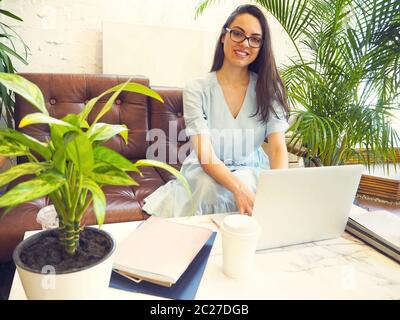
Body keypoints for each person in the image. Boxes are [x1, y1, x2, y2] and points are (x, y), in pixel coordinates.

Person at [143, 4, 290, 218]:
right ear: (224, 36)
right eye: (238, 34)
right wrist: (238, 189)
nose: (245, 44)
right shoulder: (196, 88)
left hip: (251, 167)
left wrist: (278, 191)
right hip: (207, 168)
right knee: (208, 186)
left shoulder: (268, 88)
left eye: (255, 39)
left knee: (249, 181)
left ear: (261, 46)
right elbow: (206, 156)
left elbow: (277, 149)